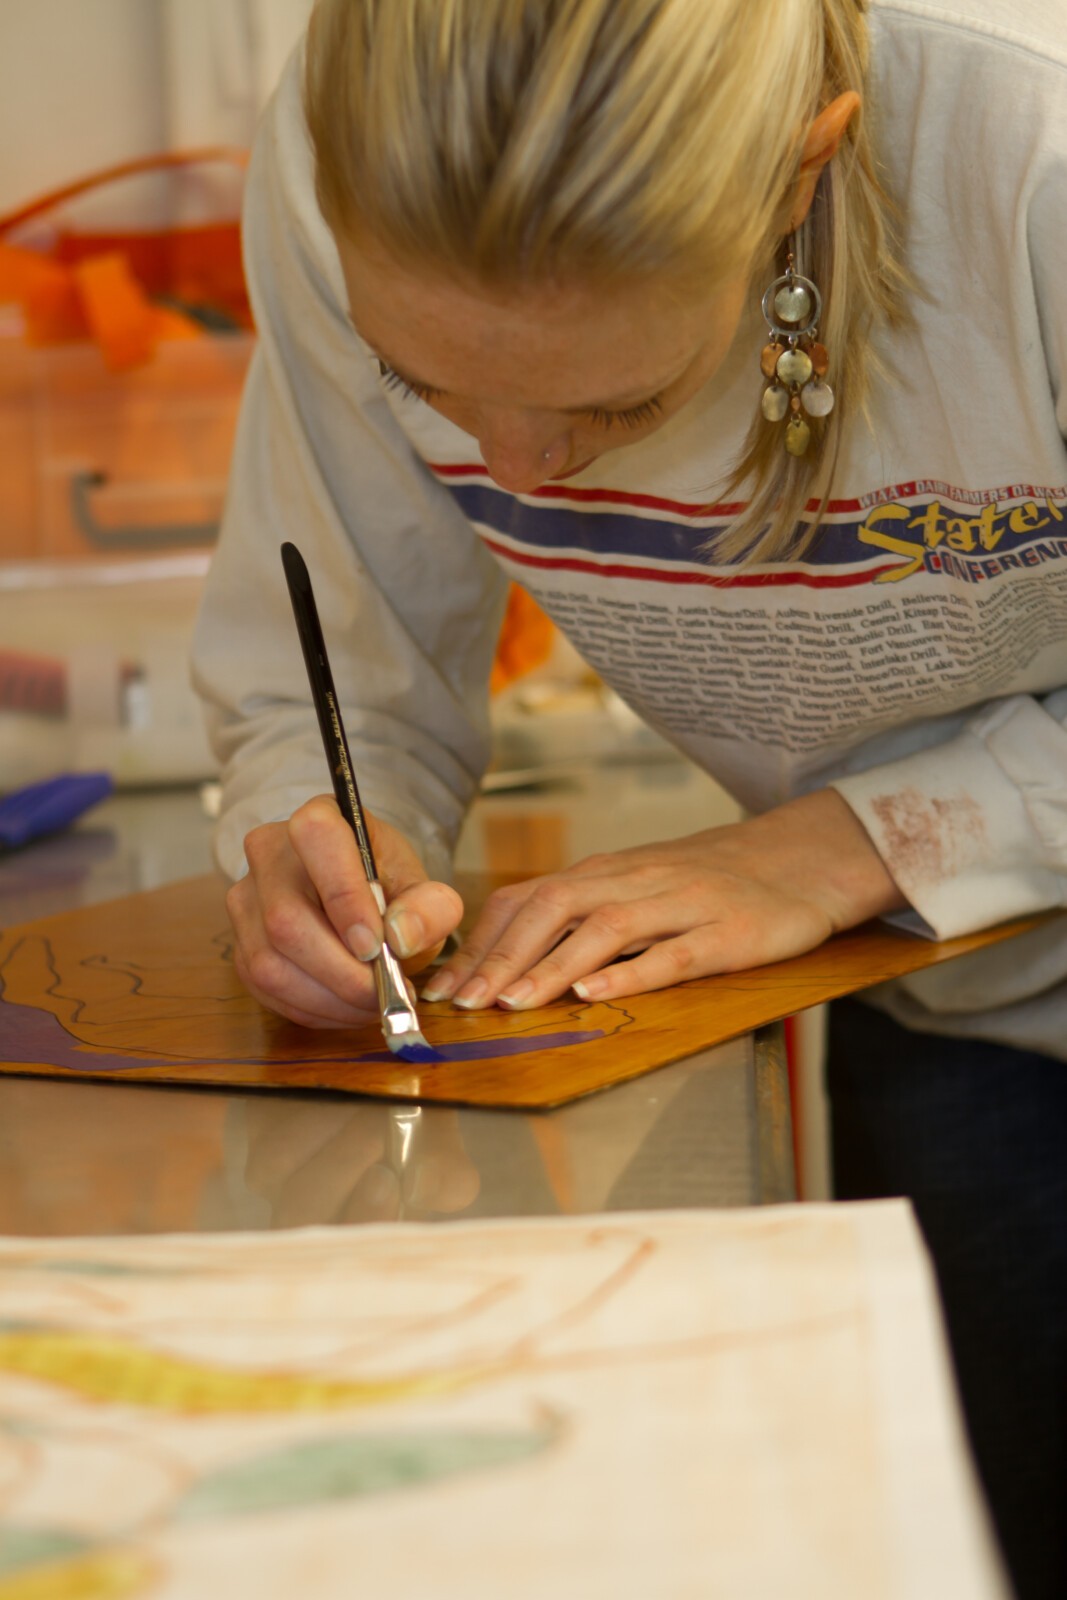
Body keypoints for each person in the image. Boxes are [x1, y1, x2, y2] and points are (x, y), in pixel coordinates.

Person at [192, 1, 1066, 1593]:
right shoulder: (351, 174)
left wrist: (864, 834)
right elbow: (339, 667)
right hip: (955, 1013)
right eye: (425, 382)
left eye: (615, 407)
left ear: (804, 174)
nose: (518, 473)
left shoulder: (1038, 157)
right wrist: (332, 824)